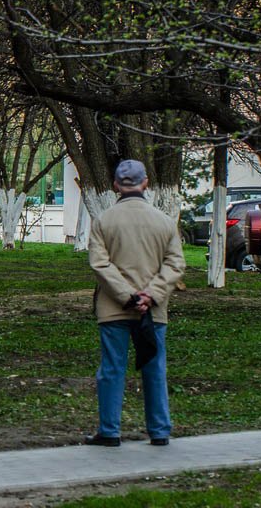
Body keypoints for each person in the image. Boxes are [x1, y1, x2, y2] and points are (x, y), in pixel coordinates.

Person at [85, 159, 186, 447]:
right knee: (154, 367)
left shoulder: (104, 221)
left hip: (113, 308)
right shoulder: (164, 221)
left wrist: (127, 297)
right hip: (153, 310)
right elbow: (175, 264)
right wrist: (150, 295)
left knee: (112, 368)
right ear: (145, 184)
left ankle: (109, 431)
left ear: (116, 185)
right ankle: (159, 431)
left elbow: (99, 264)